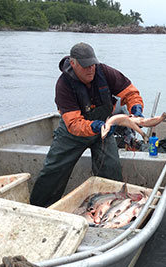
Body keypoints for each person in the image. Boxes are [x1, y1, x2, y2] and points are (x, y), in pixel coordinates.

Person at [30, 42, 144, 207]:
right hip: (73, 133)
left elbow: (129, 92)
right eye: (85, 66)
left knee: (111, 171)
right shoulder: (64, 85)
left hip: (105, 130)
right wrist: (95, 127)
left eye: (92, 64)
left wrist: (136, 107)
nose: (90, 69)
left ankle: (111, 208)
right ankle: (39, 207)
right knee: (53, 171)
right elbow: (74, 123)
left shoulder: (105, 72)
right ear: (73, 63)